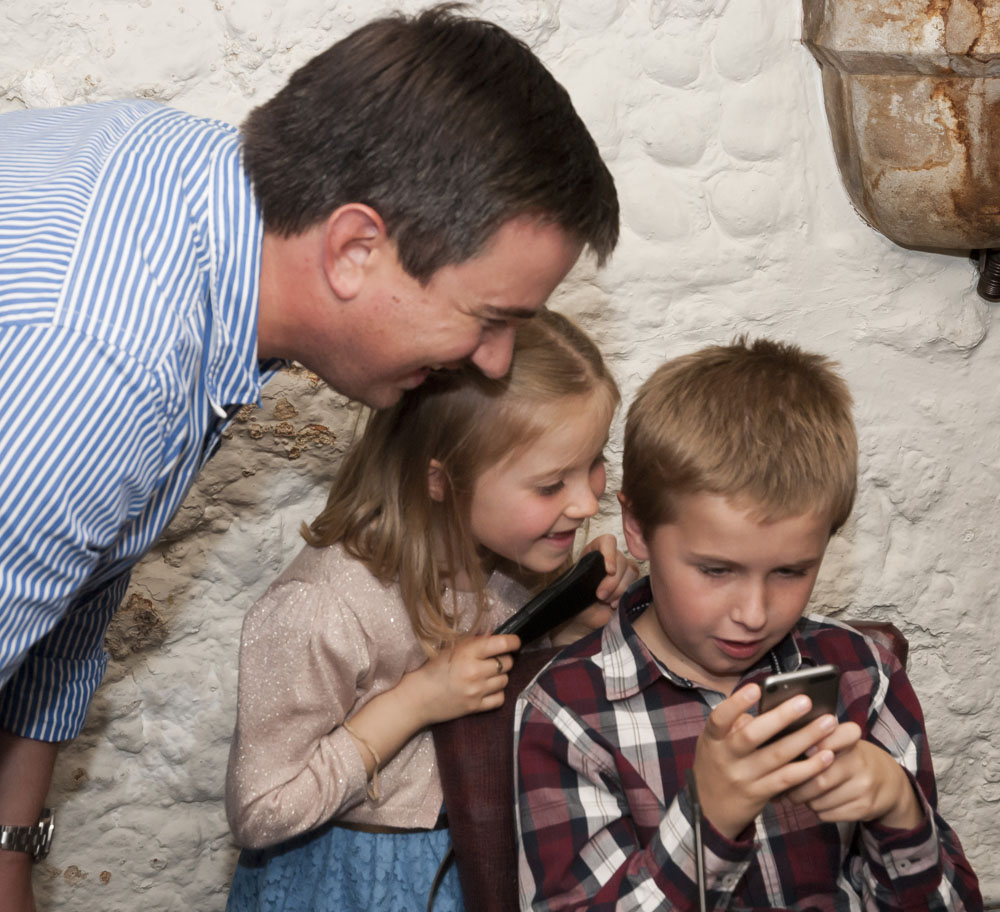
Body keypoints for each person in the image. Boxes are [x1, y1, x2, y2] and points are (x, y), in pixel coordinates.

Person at [0, 5, 618, 907]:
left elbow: (68, 606)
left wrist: (11, 854)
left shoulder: (181, 198)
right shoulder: (98, 372)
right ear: (355, 248)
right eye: (490, 320)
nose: (493, 363)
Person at [514, 338, 982, 911]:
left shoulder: (864, 673)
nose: (754, 614)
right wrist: (706, 821)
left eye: (790, 571)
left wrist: (900, 812)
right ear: (636, 527)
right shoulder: (566, 714)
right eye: (716, 570)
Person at [223, 308, 635, 911]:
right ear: (441, 480)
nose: (585, 503)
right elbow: (261, 810)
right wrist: (413, 703)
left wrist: (567, 625)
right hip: (355, 884)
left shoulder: (511, 565)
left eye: (593, 461)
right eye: (551, 484)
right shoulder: (321, 609)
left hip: (483, 860)